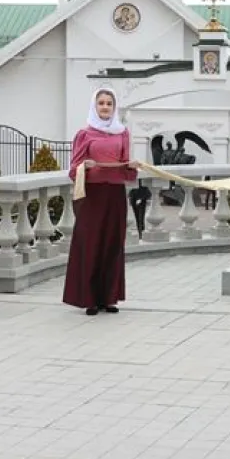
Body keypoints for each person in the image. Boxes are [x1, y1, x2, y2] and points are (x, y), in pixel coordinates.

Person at [63, 88, 138, 315]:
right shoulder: (84, 134)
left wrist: (131, 167)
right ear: (94, 107)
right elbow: (73, 169)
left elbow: (126, 168)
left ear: (114, 108)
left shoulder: (122, 133)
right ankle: (90, 299)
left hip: (115, 194)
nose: (105, 107)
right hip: (92, 195)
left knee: (113, 244)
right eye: (101, 103)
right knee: (91, 243)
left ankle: (109, 297)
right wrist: (83, 167)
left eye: (109, 104)